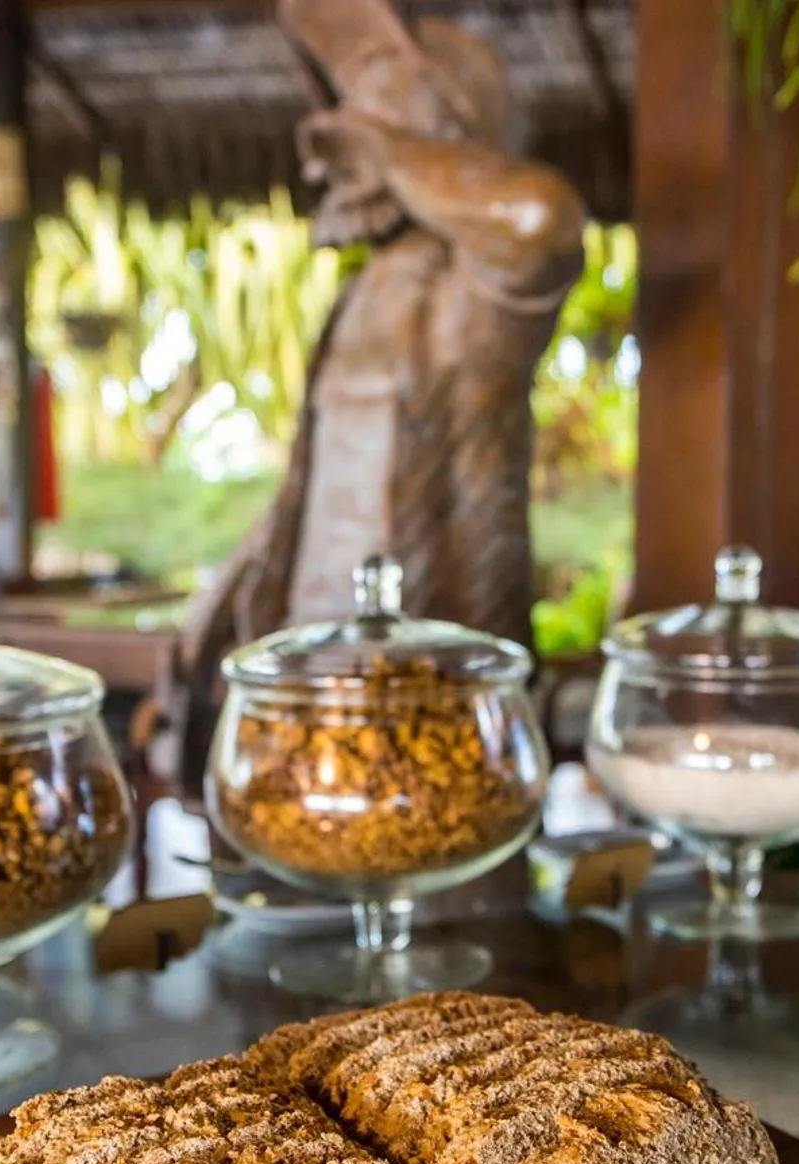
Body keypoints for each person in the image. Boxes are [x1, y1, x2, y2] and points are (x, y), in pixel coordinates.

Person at [167, 0, 586, 795]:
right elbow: (315, 489)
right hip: (310, 699)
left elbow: (541, 221)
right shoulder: (360, 298)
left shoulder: (473, 297)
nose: (328, 150)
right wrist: (216, 611)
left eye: (364, 121)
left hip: (433, 706)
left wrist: (391, 152)